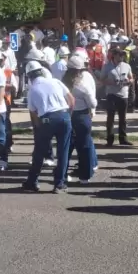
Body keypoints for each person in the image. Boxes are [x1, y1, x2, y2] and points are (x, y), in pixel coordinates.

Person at [22, 61, 74, 194]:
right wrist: (67, 116)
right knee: (63, 152)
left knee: (39, 152)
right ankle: (59, 184)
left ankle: (32, 182)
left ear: (29, 76)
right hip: (64, 115)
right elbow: (71, 100)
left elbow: (34, 115)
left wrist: (39, 128)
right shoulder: (56, 82)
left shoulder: (32, 90)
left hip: (47, 119)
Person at [63, 54, 98, 184]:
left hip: (67, 115)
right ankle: (85, 176)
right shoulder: (83, 85)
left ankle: (63, 174)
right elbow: (93, 103)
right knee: (84, 146)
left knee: (66, 146)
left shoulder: (62, 83)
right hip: (81, 116)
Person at [101, 47, 133, 147]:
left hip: (124, 94)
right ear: (114, 55)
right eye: (120, 55)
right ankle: (110, 139)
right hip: (111, 94)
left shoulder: (126, 66)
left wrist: (129, 81)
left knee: (123, 118)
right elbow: (102, 80)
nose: (122, 57)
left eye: (123, 55)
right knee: (110, 117)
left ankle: (123, 138)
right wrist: (111, 82)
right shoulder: (107, 66)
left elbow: (131, 78)